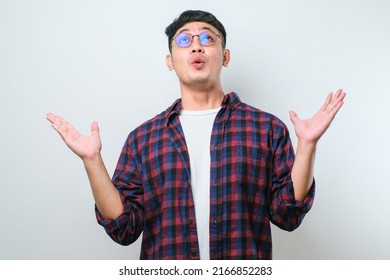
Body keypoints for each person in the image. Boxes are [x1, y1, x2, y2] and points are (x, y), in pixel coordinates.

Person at [46, 10, 346, 260]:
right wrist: (92, 161)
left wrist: (307, 145)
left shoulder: (266, 128)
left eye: (207, 38)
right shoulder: (144, 138)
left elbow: (287, 216)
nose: (196, 46)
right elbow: (125, 228)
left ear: (225, 56)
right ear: (170, 60)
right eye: (184, 40)